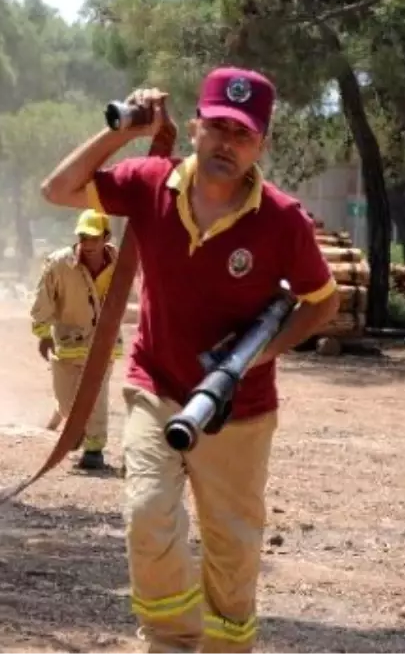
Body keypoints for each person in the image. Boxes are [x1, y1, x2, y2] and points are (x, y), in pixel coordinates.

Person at [40, 67, 340, 653]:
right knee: (149, 515)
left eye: (244, 134)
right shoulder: (151, 183)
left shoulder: (282, 220)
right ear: (197, 127)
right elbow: (58, 189)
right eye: (218, 127)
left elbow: (322, 303)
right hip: (158, 387)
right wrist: (124, 132)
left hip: (241, 409)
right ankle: (169, 642)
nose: (228, 144)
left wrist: (257, 357)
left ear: (262, 145)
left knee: (231, 551)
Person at [29, 209, 125, 471]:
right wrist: (43, 333)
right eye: (83, 237)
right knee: (65, 399)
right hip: (68, 343)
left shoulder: (121, 262)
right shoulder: (59, 264)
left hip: (104, 343)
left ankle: (94, 450)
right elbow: (43, 298)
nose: (88, 244)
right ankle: (74, 430)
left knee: (96, 396)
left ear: (106, 236)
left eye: (94, 238)